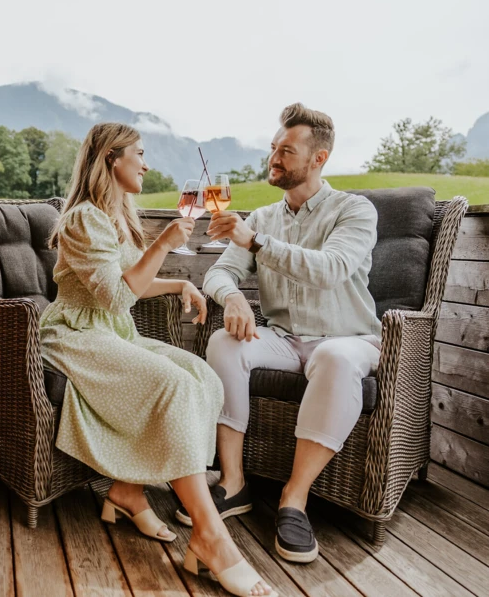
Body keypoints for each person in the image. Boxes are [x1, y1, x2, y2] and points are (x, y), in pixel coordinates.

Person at [40, 122, 277, 597]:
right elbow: (113, 296)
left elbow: (135, 284)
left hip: (113, 330)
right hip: (76, 333)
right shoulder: (84, 218)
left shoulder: (114, 215)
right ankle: (211, 538)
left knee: (203, 377)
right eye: (140, 154)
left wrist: (180, 283)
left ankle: (126, 492)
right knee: (170, 384)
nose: (147, 164)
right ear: (112, 158)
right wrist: (164, 243)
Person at [176, 103, 381, 564]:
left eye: (286, 151)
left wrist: (255, 242)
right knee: (224, 342)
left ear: (319, 158)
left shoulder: (354, 210)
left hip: (349, 339)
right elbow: (220, 272)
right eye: (273, 148)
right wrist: (231, 298)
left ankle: (294, 497)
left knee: (335, 359)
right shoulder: (264, 217)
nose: (274, 158)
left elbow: (331, 270)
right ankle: (233, 481)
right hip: (285, 338)